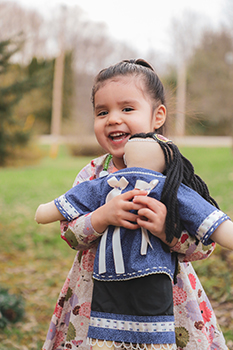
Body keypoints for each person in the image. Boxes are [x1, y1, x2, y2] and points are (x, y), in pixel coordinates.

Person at [39, 59, 228, 350]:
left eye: (127, 108)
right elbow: (70, 234)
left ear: (157, 116)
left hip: (165, 298)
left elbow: (204, 245)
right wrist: (101, 217)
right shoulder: (92, 175)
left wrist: (169, 230)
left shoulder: (174, 175)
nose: (113, 119)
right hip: (95, 295)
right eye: (102, 112)